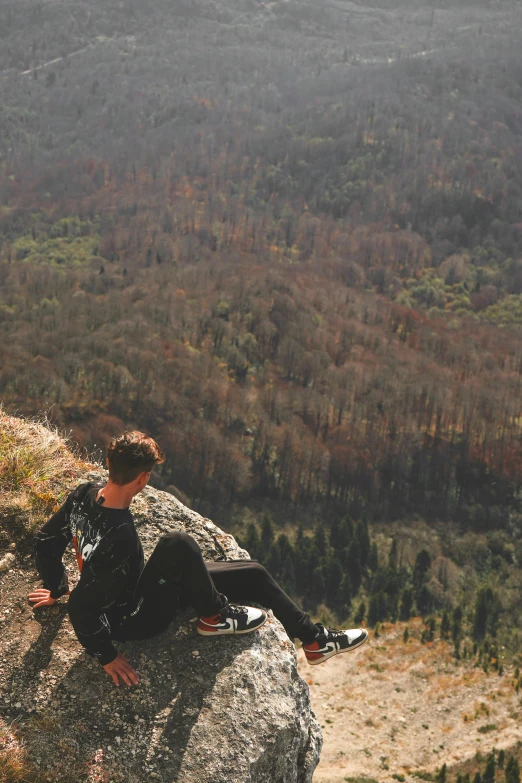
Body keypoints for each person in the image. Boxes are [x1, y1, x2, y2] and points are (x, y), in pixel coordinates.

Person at [29, 431, 368, 686]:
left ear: (108, 464)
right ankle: (214, 616)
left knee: (252, 572)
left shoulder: (82, 495)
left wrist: (56, 587)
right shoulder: (120, 536)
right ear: (144, 478)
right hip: (133, 618)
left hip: (133, 592)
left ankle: (315, 641)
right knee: (177, 544)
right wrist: (106, 654)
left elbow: (46, 541)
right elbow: (82, 607)